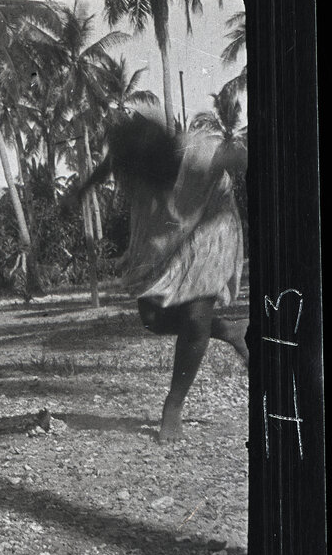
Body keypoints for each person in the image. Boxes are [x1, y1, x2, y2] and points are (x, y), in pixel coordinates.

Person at [72, 113, 248, 443]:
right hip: (167, 228)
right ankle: (229, 330)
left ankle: (173, 407)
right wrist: (85, 187)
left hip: (212, 223)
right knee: (153, 319)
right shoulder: (135, 158)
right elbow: (112, 162)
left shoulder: (198, 154)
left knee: (196, 316)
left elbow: (237, 155)